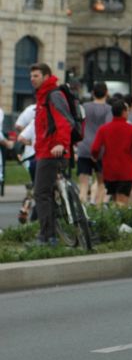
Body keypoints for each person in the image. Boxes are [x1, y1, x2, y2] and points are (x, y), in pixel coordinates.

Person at [30, 63, 73, 247]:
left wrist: (60, 144)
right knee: (50, 193)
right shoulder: (43, 98)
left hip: (52, 152)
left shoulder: (53, 96)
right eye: (31, 76)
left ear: (47, 76)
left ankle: (46, 237)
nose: (32, 79)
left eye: (36, 75)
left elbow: (63, 122)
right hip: (45, 151)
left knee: (41, 193)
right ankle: (53, 234)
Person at [90, 97, 132, 206]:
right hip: (126, 169)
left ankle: (113, 220)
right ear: (123, 112)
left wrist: (95, 156)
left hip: (109, 169)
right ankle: (122, 221)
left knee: (114, 198)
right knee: (122, 200)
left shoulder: (104, 129)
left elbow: (95, 148)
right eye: (127, 110)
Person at [77, 82, 112, 205]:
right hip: (101, 149)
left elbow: (78, 124)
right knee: (101, 183)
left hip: (84, 147)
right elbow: (108, 128)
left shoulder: (84, 106)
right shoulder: (109, 109)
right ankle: (98, 210)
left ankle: (82, 210)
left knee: (83, 184)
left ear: (92, 93)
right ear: (106, 93)